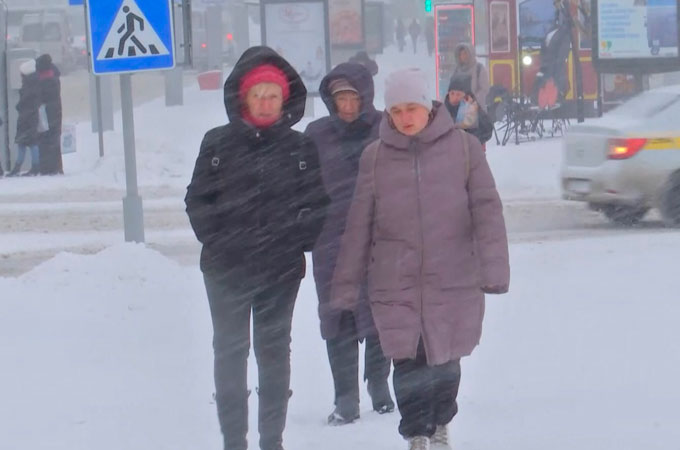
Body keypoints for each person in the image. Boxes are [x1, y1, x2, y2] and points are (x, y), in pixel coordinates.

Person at [330, 68, 510, 450]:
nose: (404, 117)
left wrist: (494, 269)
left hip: (453, 278)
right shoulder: (375, 158)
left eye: (411, 107)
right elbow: (359, 225)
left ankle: (440, 423)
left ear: (428, 107)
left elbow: (487, 210)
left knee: (445, 361)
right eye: (396, 110)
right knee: (407, 361)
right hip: (395, 281)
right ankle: (416, 433)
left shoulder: (463, 150)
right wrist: (345, 287)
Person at [185, 46, 330, 450]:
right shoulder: (217, 143)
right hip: (225, 270)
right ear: (243, 98)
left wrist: (297, 240)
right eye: (257, 95)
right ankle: (234, 440)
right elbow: (198, 200)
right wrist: (220, 242)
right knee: (229, 353)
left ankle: (272, 440)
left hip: (280, 272)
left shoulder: (300, 149)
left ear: (284, 99)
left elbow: (317, 204)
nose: (265, 103)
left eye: (273, 95)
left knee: (273, 353)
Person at [305, 62, 395, 426]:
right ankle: (346, 398)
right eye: (339, 97)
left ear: (365, 97)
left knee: (380, 313)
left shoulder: (385, 128)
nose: (346, 105)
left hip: (379, 237)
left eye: (352, 97)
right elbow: (302, 184)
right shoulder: (316, 134)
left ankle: (379, 385)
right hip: (332, 240)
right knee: (337, 314)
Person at [9, 59, 41, 177]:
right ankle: (32, 166)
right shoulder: (34, 82)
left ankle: (21, 167)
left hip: (26, 118)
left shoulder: (28, 85)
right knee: (29, 142)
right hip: (30, 117)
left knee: (25, 143)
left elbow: (25, 101)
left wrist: (19, 106)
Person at [34, 54, 63, 175]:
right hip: (56, 111)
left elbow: (39, 96)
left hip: (44, 113)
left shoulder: (43, 79)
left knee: (43, 139)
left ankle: (46, 167)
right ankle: (56, 167)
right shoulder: (54, 74)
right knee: (54, 139)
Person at [452, 44, 490, 110]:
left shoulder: (479, 68)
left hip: (476, 109)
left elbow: (485, 89)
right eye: (460, 54)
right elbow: (452, 87)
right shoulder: (456, 70)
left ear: (470, 54)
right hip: (459, 111)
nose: (462, 56)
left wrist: (472, 99)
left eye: (465, 53)